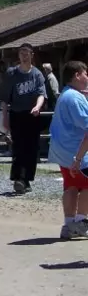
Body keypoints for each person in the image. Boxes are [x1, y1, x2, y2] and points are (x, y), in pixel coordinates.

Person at [49, 61, 88, 240]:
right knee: (86, 186)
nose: (87, 77)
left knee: (71, 186)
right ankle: (80, 223)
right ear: (77, 75)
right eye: (85, 73)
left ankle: (68, 224)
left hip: (63, 150)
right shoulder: (75, 98)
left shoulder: (66, 95)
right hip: (77, 152)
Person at [3, 43, 47, 195]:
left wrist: (38, 106)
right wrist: (4, 118)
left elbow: (42, 93)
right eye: (21, 52)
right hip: (16, 113)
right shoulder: (12, 73)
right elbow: (5, 99)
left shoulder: (37, 74)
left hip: (32, 115)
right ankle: (18, 179)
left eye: (27, 52)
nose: (24, 55)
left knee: (32, 148)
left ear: (32, 55)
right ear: (18, 55)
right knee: (19, 147)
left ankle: (27, 180)